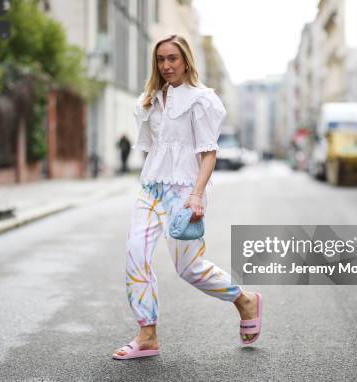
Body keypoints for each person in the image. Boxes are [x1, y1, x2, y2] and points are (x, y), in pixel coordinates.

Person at [112, 35, 263, 360]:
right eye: (161, 60)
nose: (166, 66)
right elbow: (154, 147)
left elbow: (208, 153)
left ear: (185, 61)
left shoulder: (201, 100)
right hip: (151, 187)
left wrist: (196, 195)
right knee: (135, 254)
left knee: (188, 268)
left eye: (172, 59)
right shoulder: (150, 100)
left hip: (184, 191)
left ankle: (244, 300)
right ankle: (147, 334)